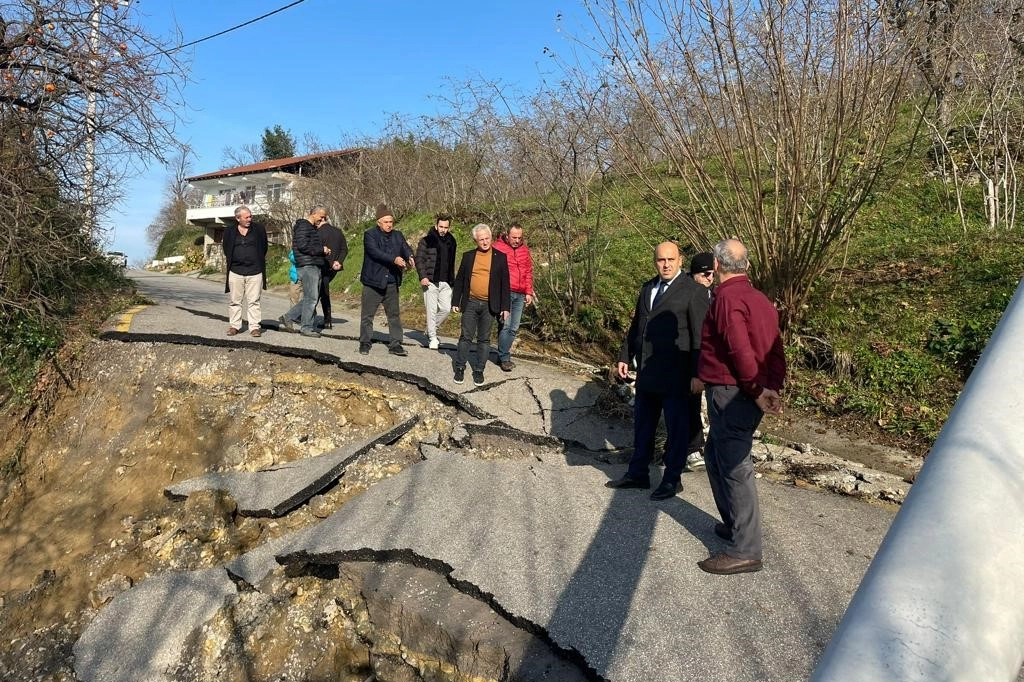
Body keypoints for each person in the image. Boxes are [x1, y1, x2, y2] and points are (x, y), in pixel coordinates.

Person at [695, 239, 786, 576]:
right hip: (748, 390)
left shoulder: (727, 299)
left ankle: (746, 549)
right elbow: (776, 348)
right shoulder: (760, 299)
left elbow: (739, 350)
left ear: (716, 267)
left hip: (732, 392)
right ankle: (735, 524)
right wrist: (772, 386)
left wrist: (756, 388)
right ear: (746, 266)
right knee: (717, 455)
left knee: (734, 466)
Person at [606, 241, 709, 501]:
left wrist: (699, 373)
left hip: (677, 375)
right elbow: (637, 326)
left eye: (670, 260)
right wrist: (624, 355)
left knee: (677, 430)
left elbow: (701, 337)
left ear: (680, 261)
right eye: (661, 260)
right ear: (655, 261)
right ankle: (638, 473)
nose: (666, 264)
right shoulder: (647, 288)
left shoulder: (693, 291)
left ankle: (672, 479)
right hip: (648, 373)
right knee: (643, 426)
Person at [451, 224, 510, 387]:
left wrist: (506, 307)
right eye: (481, 239)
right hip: (470, 302)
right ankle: (460, 367)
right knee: (466, 337)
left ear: (491, 238)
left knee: (484, 339)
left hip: (489, 305)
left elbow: (505, 284)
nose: (484, 242)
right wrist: (456, 301)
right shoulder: (468, 256)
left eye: (487, 238)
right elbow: (460, 280)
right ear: (475, 240)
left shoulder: (501, 257)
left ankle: (479, 370)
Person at [359, 204, 414, 356]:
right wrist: (394, 259)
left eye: (391, 222)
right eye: (386, 222)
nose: (389, 225)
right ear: (379, 222)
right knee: (367, 315)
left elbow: (405, 247)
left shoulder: (398, 235)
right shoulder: (369, 235)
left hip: (391, 281)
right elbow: (375, 252)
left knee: (394, 315)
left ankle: (396, 344)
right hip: (373, 281)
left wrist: (410, 256)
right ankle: (365, 342)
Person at [684, 251, 716, 471]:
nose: (710, 278)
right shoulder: (691, 294)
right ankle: (689, 450)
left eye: (713, 274)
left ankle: (693, 447)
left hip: (704, 359)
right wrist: (696, 372)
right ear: (695, 273)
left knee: (694, 405)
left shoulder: (709, 294)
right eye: (706, 273)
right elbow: (696, 333)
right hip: (687, 359)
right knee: (688, 404)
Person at [280, 206, 331, 338]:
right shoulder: (304, 226)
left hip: (311, 264)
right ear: (314, 214)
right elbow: (302, 245)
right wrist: (321, 249)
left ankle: (288, 317)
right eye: (321, 216)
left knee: (310, 297)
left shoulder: (310, 227)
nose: (323, 219)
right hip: (308, 265)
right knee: (312, 298)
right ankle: (306, 328)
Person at [493, 222, 534, 371]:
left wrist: (529, 291)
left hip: (520, 293)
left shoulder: (524, 250)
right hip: (505, 292)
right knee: (505, 324)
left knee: (514, 327)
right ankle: (504, 357)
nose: (517, 240)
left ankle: (502, 353)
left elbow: (528, 271)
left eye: (519, 237)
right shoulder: (497, 247)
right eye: (514, 237)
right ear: (507, 235)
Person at [222, 205, 268, 337]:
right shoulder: (229, 231)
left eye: (250, 216)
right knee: (235, 301)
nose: (249, 219)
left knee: (254, 301)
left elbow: (264, 248)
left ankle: (254, 327)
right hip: (235, 271)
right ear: (238, 218)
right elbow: (226, 249)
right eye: (246, 217)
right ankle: (235, 326)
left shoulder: (259, 229)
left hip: (255, 271)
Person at [415, 213, 457, 349]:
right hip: (430, 281)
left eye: (445, 227)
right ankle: (432, 338)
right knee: (431, 311)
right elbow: (419, 259)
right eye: (441, 226)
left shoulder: (452, 241)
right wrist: (423, 276)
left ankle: (430, 329)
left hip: (446, 282)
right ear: (436, 226)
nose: (443, 229)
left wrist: (452, 280)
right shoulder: (426, 240)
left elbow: (452, 262)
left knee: (445, 309)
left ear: (449, 227)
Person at [317, 221, 348, 330]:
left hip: (322, 266)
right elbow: (344, 249)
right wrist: (338, 261)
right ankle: (327, 320)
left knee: (321, 292)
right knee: (322, 291)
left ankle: (326, 320)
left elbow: (317, 250)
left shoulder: (318, 232)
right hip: (334, 267)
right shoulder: (338, 231)